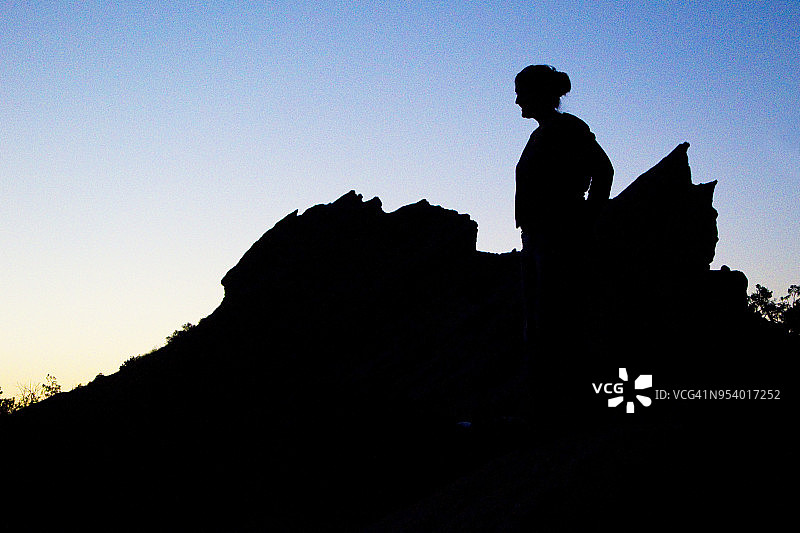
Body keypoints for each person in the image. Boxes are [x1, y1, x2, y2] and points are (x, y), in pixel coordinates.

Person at [515, 65, 613, 363]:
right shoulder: (541, 134)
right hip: (537, 237)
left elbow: (603, 170)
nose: (517, 101)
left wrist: (588, 218)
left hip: (558, 236)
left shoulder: (568, 128)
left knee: (553, 315)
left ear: (538, 93)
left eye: (521, 93)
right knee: (538, 315)